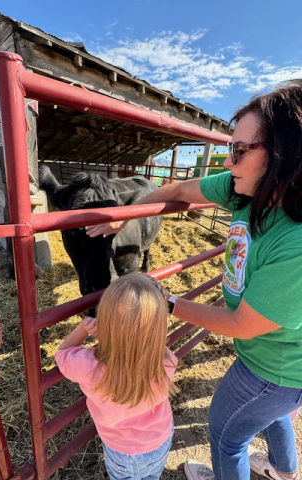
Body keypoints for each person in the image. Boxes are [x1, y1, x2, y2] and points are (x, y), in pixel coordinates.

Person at [85, 80, 302, 480]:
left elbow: (242, 324)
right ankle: (284, 469)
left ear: (284, 156)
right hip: (270, 354)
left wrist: (165, 302)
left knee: (226, 436)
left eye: (238, 151)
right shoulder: (246, 192)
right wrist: (126, 215)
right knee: (273, 413)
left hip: (277, 365)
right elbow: (182, 188)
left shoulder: (296, 242)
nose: (227, 163)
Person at [55, 273, 178, 480]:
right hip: (160, 441)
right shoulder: (165, 362)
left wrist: (83, 329)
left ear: (105, 320)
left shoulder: (89, 365)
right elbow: (155, 344)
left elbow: (62, 355)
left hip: (121, 451)